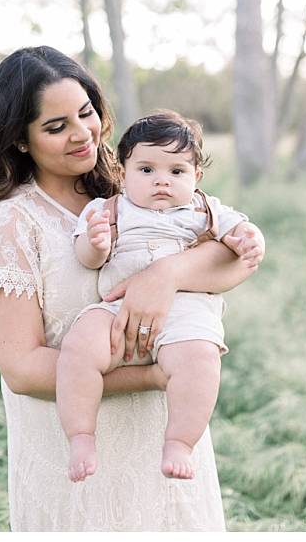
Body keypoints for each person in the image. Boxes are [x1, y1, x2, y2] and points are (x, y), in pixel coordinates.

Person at [0, 46, 264, 531]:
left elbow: (233, 262)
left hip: (167, 445)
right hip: (76, 465)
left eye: (86, 113)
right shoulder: (13, 222)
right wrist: (154, 376)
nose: (82, 134)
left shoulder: (137, 188)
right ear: (20, 139)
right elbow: (21, 368)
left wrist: (163, 277)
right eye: (56, 127)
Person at [59, 110, 263, 483]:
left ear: (196, 176)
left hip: (186, 307)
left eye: (177, 171)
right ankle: (81, 434)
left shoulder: (205, 209)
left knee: (200, 358)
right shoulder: (106, 209)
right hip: (117, 307)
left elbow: (242, 230)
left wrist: (248, 239)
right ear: (122, 172)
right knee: (79, 347)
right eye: (147, 170)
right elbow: (85, 257)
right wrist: (96, 244)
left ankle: (180, 441)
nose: (162, 182)